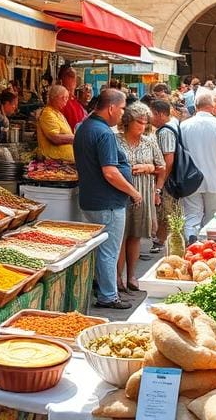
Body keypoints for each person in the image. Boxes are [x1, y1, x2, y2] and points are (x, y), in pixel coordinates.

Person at [74, 88, 141, 310]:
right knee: (108, 251)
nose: (123, 114)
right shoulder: (103, 133)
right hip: (107, 202)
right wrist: (133, 191)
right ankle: (108, 296)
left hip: (91, 198)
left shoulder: (85, 127)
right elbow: (110, 172)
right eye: (122, 109)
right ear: (111, 108)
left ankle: (102, 288)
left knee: (100, 250)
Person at [116, 102, 165, 291]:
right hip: (121, 193)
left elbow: (161, 167)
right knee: (121, 236)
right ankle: (117, 277)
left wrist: (148, 168)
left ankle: (132, 275)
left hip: (143, 192)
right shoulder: (116, 140)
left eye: (145, 123)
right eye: (139, 122)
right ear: (128, 121)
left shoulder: (149, 141)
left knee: (135, 236)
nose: (142, 126)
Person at [180, 88, 216, 242]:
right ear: (211, 106)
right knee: (214, 217)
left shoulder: (184, 126)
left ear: (195, 106)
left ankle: (192, 243)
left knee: (192, 216)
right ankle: (209, 246)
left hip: (190, 179)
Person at [150, 99, 177, 252]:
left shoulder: (165, 131)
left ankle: (161, 241)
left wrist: (160, 185)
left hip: (167, 180)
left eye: (151, 114)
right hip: (166, 178)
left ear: (159, 114)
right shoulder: (171, 126)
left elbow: (168, 160)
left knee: (165, 211)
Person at [36, 85, 75, 162]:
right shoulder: (48, 113)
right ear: (54, 97)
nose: (66, 100)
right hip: (54, 161)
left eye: (67, 97)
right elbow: (55, 138)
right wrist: (76, 138)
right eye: (64, 97)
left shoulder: (58, 113)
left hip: (63, 162)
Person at [57, 65, 88, 131]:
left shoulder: (74, 100)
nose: (74, 81)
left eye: (74, 78)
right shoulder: (62, 101)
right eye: (71, 77)